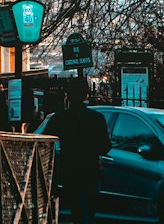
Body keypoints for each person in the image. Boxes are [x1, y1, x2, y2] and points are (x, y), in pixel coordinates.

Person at [44, 78, 111, 224]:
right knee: (90, 209)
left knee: (76, 210)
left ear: (68, 96)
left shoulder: (60, 118)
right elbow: (105, 147)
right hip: (91, 169)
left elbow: (44, 140)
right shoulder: (97, 118)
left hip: (70, 170)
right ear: (86, 96)